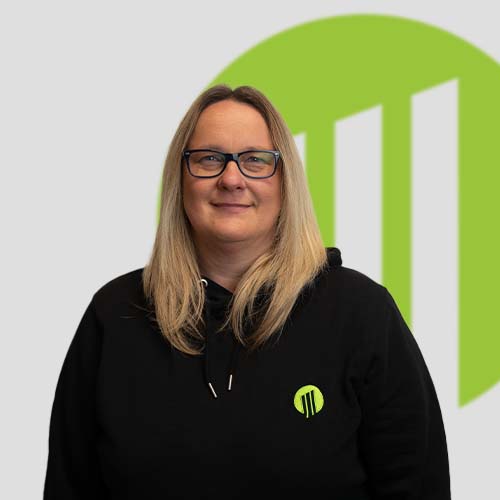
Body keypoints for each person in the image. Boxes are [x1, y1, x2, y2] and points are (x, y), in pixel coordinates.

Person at [43, 84, 451, 499]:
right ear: (179, 178)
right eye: (209, 158)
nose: (232, 179)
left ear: (286, 181)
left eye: (256, 160)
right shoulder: (115, 315)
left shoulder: (361, 314)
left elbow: (420, 487)